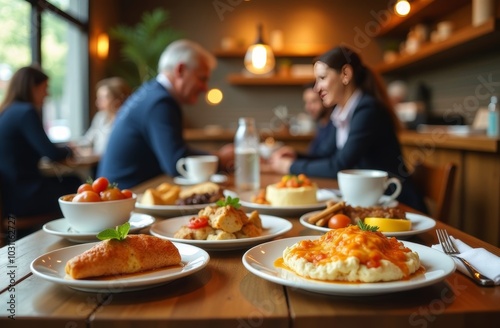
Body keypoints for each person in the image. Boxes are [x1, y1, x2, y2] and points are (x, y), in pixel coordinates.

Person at [269, 46, 427, 212]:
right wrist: (296, 155)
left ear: (345, 74)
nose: (316, 88)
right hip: (368, 200)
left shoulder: (368, 110)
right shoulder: (342, 113)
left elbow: (340, 164)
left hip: (395, 204)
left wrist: (290, 167)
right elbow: (328, 155)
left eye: (322, 78)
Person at [98, 39, 233, 188]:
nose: (205, 88)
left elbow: (175, 153)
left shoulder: (151, 93)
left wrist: (215, 156)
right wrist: (220, 158)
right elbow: (175, 163)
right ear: (180, 70)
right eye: (202, 79)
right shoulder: (160, 103)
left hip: (118, 194)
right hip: (126, 198)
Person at [0, 65, 82, 218]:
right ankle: (81, 234)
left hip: (10, 195)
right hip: (24, 196)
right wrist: (70, 149)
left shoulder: (7, 111)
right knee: (78, 186)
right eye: (45, 88)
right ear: (33, 88)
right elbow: (50, 153)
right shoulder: (26, 112)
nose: (47, 94)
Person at [79, 77, 132, 156]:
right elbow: (87, 140)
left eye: (102, 98)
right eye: (98, 98)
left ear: (118, 100)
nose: (97, 102)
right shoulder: (100, 117)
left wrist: (94, 154)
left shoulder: (127, 122)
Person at [303, 82, 335, 156]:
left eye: (313, 101)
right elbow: (313, 155)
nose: (308, 108)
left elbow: (324, 158)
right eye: (306, 102)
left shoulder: (336, 126)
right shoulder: (321, 126)